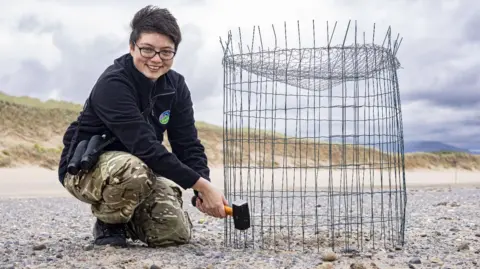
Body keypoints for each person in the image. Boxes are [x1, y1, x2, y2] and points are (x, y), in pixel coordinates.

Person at [57, 5, 228, 248]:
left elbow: (187, 144)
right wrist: (200, 184)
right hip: (85, 170)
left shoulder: (176, 86)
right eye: (147, 49)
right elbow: (144, 147)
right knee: (133, 169)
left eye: (166, 52)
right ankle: (109, 222)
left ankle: (130, 216)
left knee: (173, 234)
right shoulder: (113, 83)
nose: (156, 59)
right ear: (132, 46)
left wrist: (203, 187)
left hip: (142, 169)